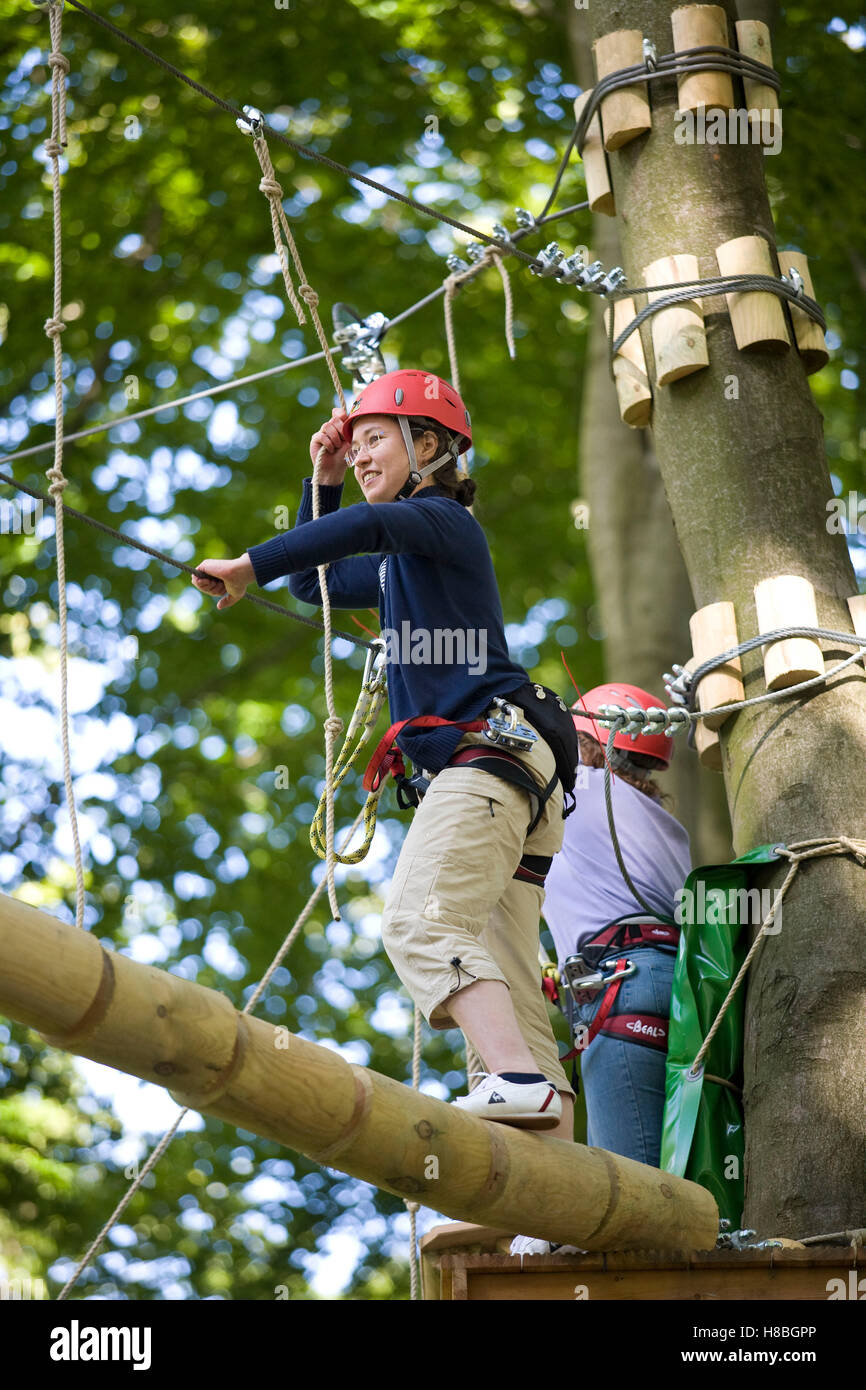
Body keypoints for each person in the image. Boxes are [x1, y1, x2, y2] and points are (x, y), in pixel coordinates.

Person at [190, 369, 578, 1142]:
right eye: (356, 444)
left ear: (429, 446)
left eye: (375, 441)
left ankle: (519, 1083)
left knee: (420, 923)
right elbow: (318, 581)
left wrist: (246, 563)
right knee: (498, 973)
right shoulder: (408, 559)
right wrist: (322, 478)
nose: (362, 455)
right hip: (513, 777)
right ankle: (549, 1197)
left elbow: (357, 537)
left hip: (488, 763)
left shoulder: (441, 522)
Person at [543, 684, 692, 1168]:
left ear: (585, 741)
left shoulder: (571, 792)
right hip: (681, 984)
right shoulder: (663, 825)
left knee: (635, 1193)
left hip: (621, 983)